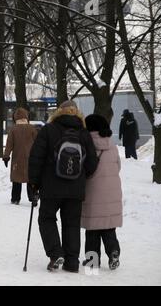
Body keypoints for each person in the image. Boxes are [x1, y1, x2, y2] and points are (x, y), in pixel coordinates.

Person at [28, 100, 98, 273]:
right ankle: (72, 262)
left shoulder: (48, 130)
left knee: (46, 218)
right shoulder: (84, 133)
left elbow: (36, 158)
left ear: (59, 112)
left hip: (51, 187)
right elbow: (91, 164)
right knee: (72, 223)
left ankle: (55, 253)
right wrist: (81, 176)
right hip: (75, 189)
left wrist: (34, 182)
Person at [81, 114, 122, 270]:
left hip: (93, 192)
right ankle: (113, 251)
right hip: (112, 192)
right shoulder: (111, 145)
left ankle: (92, 261)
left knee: (92, 229)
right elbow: (118, 167)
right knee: (108, 227)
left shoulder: (87, 144)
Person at [3, 108, 38, 205]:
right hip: (30, 158)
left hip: (17, 158)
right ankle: (32, 197)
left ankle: (15, 198)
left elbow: (9, 144)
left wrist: (6, 156)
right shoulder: (32, 128)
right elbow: (38, 143)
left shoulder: (13, 129)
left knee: (16, 180)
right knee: (30, 179)